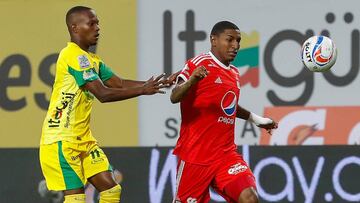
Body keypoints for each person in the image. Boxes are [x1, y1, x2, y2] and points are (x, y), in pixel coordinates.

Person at [39, 6, 176, 203]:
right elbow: (102, 93)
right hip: (61, 139)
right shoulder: (73, 56)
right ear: (75, 28)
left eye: (98, 23)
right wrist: (143, 90)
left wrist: (154, 84)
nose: (97, 28)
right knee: (76, 198)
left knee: (111, 190)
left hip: (83, 139)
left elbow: (118, 83)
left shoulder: (92, 59)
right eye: (91, 23)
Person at [170, 21, 278, 203]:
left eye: (238, 41)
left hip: (225, 155)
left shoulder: (234, 73)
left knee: (249, 198)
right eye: (230, 40)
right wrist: (192, 80)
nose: (235, 46)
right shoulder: (199, 64)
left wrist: (258, 120)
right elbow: (174, 96)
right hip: (196, 157)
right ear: (214, 40)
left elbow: (228, 107)